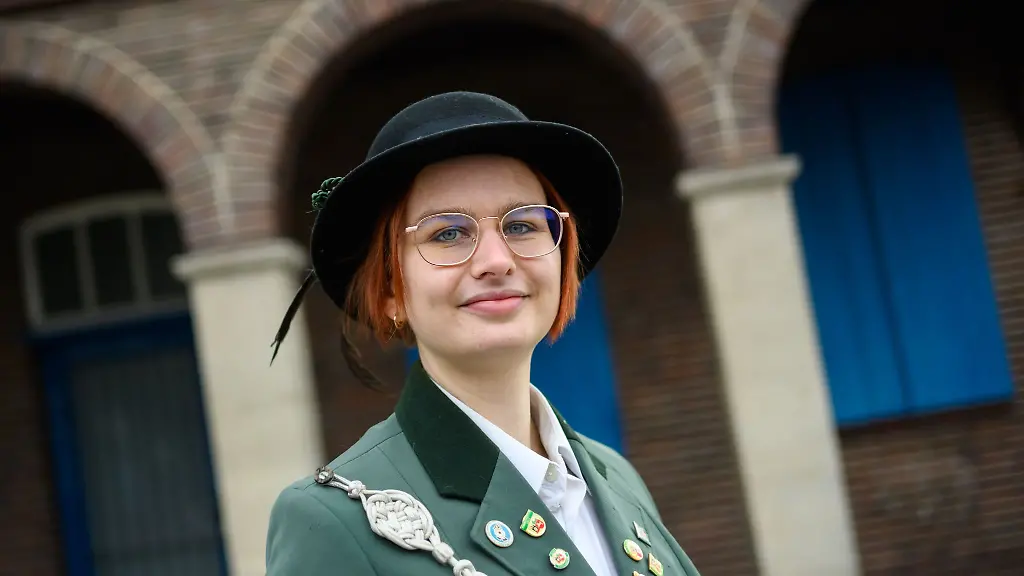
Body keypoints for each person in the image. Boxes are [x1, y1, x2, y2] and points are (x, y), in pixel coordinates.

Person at [265, 91, 700, 576]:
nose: (496, 261)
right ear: (390, 289)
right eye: (447, 233)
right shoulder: (334, 520)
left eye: (521, 225)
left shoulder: (615, 477)